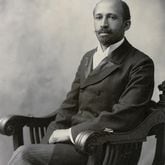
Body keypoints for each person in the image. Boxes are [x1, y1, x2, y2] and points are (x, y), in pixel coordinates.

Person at [8, 0, 154, 165]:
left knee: (24, 155)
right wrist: (48, 140)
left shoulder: (140, 63)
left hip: (103, 147)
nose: (104, 24)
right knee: (29, 154)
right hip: (73, 143)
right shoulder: (88, 57)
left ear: (126, 25)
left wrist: (69, 133)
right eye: (99, 17)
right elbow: (68, 106)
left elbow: (125, 116)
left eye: (112, 17)